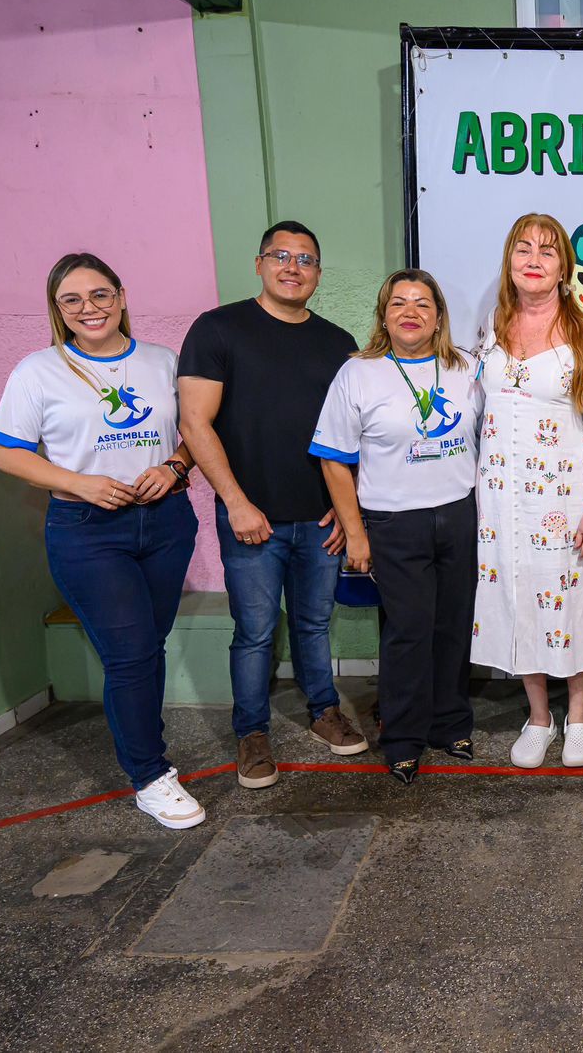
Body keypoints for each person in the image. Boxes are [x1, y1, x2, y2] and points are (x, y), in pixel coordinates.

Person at [0, 253, 203, 828]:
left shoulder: (163, 361)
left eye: (101, 295)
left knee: (146, 649)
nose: (90, 308)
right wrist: (77, 482)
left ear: (123, 296)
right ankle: (150, 776)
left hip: (165, 523)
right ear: (58, 310)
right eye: (73, 300)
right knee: (130, 656)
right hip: (87, 533)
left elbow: (197, 435)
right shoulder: (38, 370)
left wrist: (178, 467)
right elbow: (7, 452)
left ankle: (146, 755)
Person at [178, 221, 369, 791]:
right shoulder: (218, 330)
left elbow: (352, 431)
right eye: (281, 256)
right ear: (259, 263)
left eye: (305, 259)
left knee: (314, 623)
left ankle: (324, 712)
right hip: (249, 518)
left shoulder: (337, 343)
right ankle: (252, 733)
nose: (293, 266)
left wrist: (345, 505)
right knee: (255, 631)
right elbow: (195, 422)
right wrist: (235, 503)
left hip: (318, 518)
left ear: (317, 273)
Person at [311, 270, 481, 784]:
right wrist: (355, 532)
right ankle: (404, 737)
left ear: (438, 317)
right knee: (408, 632)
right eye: (399, 303)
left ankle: (450, 723)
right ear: (384, 315)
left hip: (459, 513)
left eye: (423, 303)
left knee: (453, 625)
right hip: (393, 522)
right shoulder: (358, 374)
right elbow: (334, 461)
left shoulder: (465, 368)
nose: (411, 311)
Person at [471, 212, 583, 768]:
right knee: (514, 598)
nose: (534, 260)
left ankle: (578, 715)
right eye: (524, 249)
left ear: (564, 268)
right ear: (510, 261)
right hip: (500, 499)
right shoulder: (492, 326)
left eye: (547, 251)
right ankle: (539, 716)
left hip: (563, 499)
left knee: (571, 601)